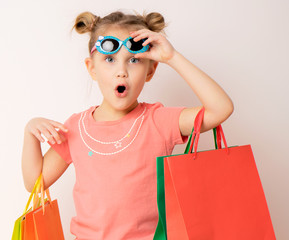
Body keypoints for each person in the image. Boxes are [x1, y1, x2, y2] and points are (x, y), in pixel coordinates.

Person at [21, 10, 233, 239]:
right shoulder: (76, 128)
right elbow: (35, 182)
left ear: (150, 70)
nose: (121, 72)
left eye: (134, 60)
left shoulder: (158, 120)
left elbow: (220, 109)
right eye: (109, 60)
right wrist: (30, 133)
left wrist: (172, 57)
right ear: (92, 67)